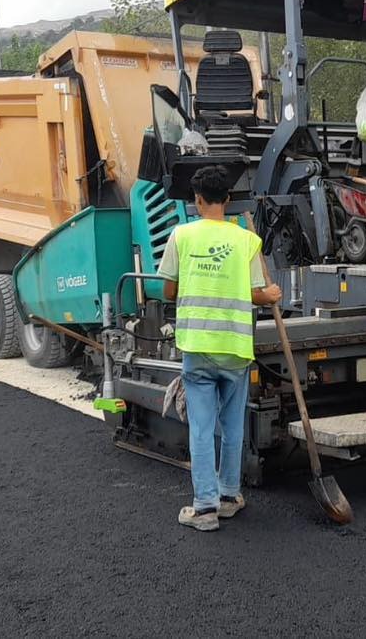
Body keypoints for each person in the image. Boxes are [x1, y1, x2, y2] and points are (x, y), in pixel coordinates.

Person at [157, 165, 282, 532]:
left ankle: (205, 507)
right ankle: (229, 496)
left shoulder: (181, 236)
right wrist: (271, 294)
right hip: (235, 347)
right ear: (227, 200)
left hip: (197, 346)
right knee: (232, 426)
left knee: (200, 427)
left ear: (196, 200)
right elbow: (258, 294)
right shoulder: (246, 241)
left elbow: (168, 290)